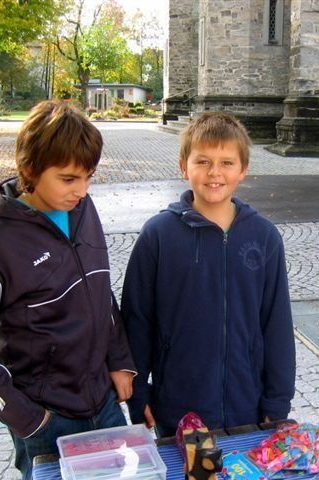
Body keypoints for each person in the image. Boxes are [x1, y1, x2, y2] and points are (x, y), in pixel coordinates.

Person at [0, 100, 136, 480]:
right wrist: (27, 418)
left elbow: (99, 290)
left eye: (89, 177)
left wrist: (120, 361)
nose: (81, 191)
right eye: (69, 179)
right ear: (30, 169)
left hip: (104, 402)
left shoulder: (84, 210)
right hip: (47, 419)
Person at [121, 112, 295, 437]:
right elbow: (137, 319)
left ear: (243, 170)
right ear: (183, 166)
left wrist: (277, 401)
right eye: (203, 161)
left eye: (226, 163)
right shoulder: (158, 236)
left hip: (248, 406)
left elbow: (277, 324)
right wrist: (138, 393)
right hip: (178, 409)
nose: (214, 172)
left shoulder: (264, 236)